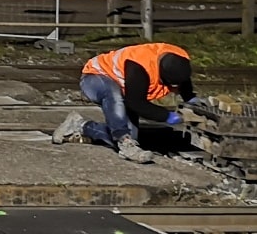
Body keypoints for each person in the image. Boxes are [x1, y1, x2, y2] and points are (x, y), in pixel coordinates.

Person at [54, 42, 196, 162]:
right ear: (160, 72)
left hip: (123, 87)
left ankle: (80, 125)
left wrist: (191, 99)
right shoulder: (139, 67)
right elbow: (136, 103)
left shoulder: (179, 58)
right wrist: (167, 116)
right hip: (95, 78)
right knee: (114, 96)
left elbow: (182, 79)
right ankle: (124, 140)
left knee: (132, 136)